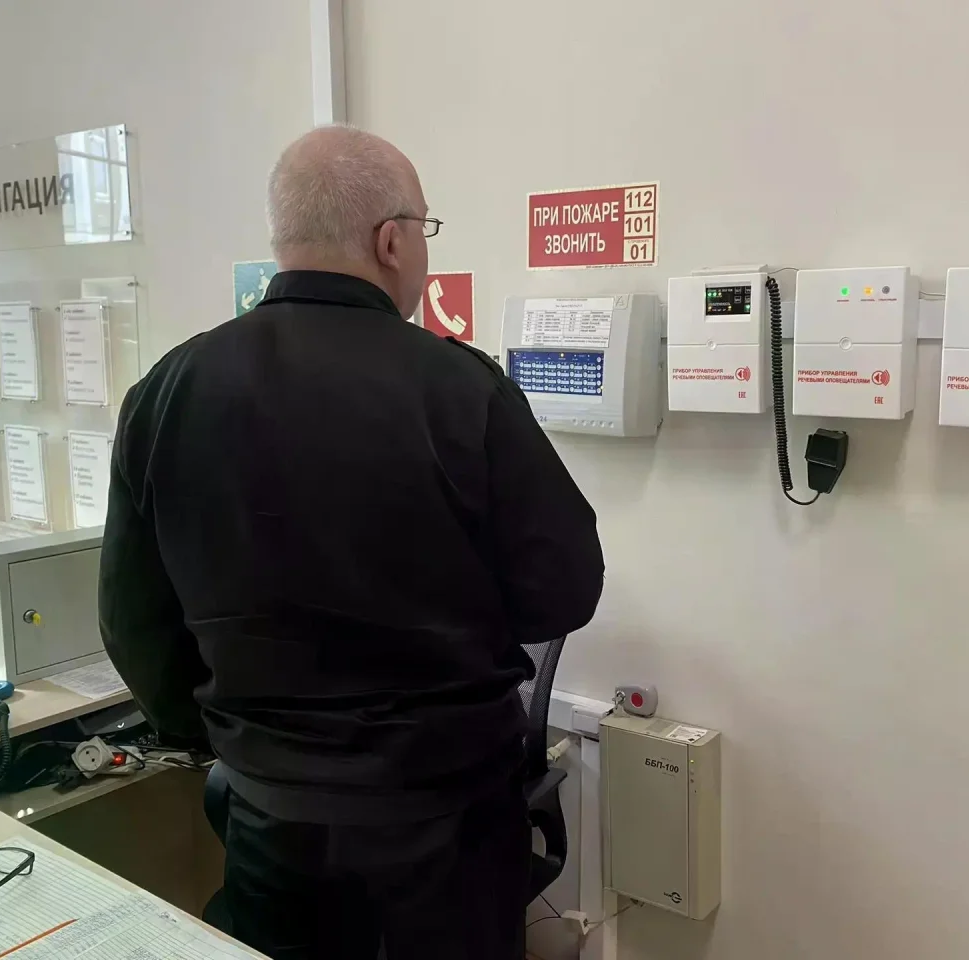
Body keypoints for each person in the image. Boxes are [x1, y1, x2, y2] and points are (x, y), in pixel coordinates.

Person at [98, 126, 605, 960]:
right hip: (446, 828)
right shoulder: (461, 388)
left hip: (270, 821)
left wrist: (234, 738)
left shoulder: (167, 390)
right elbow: (563, 593)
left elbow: (131, 621)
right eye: (426, 231)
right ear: (391, 240)